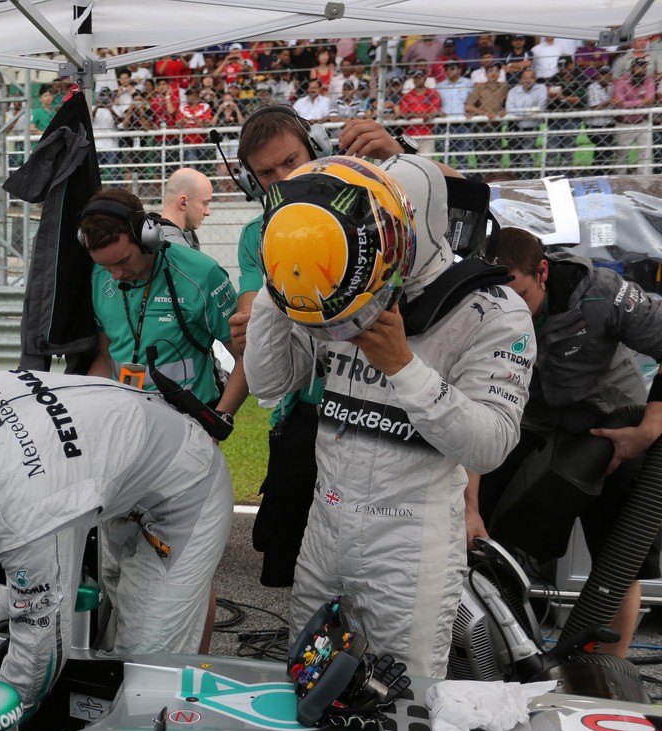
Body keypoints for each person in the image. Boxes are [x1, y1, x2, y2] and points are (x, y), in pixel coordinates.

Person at [244, 154, 533, 678]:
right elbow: (268, 383)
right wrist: (280, 279)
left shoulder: (494, 309)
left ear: (411, 225)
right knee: (307, 684)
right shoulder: (341, 280)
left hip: (410, 544)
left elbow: (490, 445)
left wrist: (401, 364)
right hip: (325, 526)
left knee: (401, 706)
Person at [0, 369, 233, 715]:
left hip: (185, 488)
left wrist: (2, 718)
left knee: (145, 672)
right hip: (121, 468)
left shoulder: (30, 511)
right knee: (115, 636)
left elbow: (42, 643)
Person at [232, 107, 426, 589]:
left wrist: (400, 158)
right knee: (287, 563)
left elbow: (463, 205)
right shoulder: (257, 234)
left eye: (290, 160)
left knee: (380, 567)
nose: (282, 177)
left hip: (383, 406)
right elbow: (256, 309)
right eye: (266, 173)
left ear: (317, 148)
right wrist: (256, 322)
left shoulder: (377, 198)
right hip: (307, 408)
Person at [467, 227, 662, 659]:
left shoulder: (600, 294)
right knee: (482, 539)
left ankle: (603, 679)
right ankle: (497, 655)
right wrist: (468, 508)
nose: (503, 305)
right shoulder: (478, 305)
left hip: (612, 424)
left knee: (617, 561)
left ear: (541, 272)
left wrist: (649, 426)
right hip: (533, 422)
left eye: (514, 290)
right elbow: (473, 412)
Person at [79, 188, 242, 417]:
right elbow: (106, 357)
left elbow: (245, 358)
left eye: (124, 261)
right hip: (124, 416)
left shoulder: (202, 275)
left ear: (148, 238)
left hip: (189, 419)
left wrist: (218, 424)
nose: (115, 275)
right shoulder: (98, 277)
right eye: (107, 266)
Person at [505, 69, 547, 178]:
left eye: (530, 78)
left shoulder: (541, 88)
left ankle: (526, 177)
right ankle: (516, 177)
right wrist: (529, 112)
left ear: (535, 79)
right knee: (514, 153)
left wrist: (520, 112)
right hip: (515, 126)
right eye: (525, 78)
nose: (528, 80)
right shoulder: (513, 91)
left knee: (526, 152)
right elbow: (509, 109)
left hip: (531, 126)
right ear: (520, 79)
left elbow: (541, 107)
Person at [156, 167, 212, 250]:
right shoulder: (175, 248)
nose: (208, 212)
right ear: (183, 202)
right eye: (205, 203)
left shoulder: (156, 237)